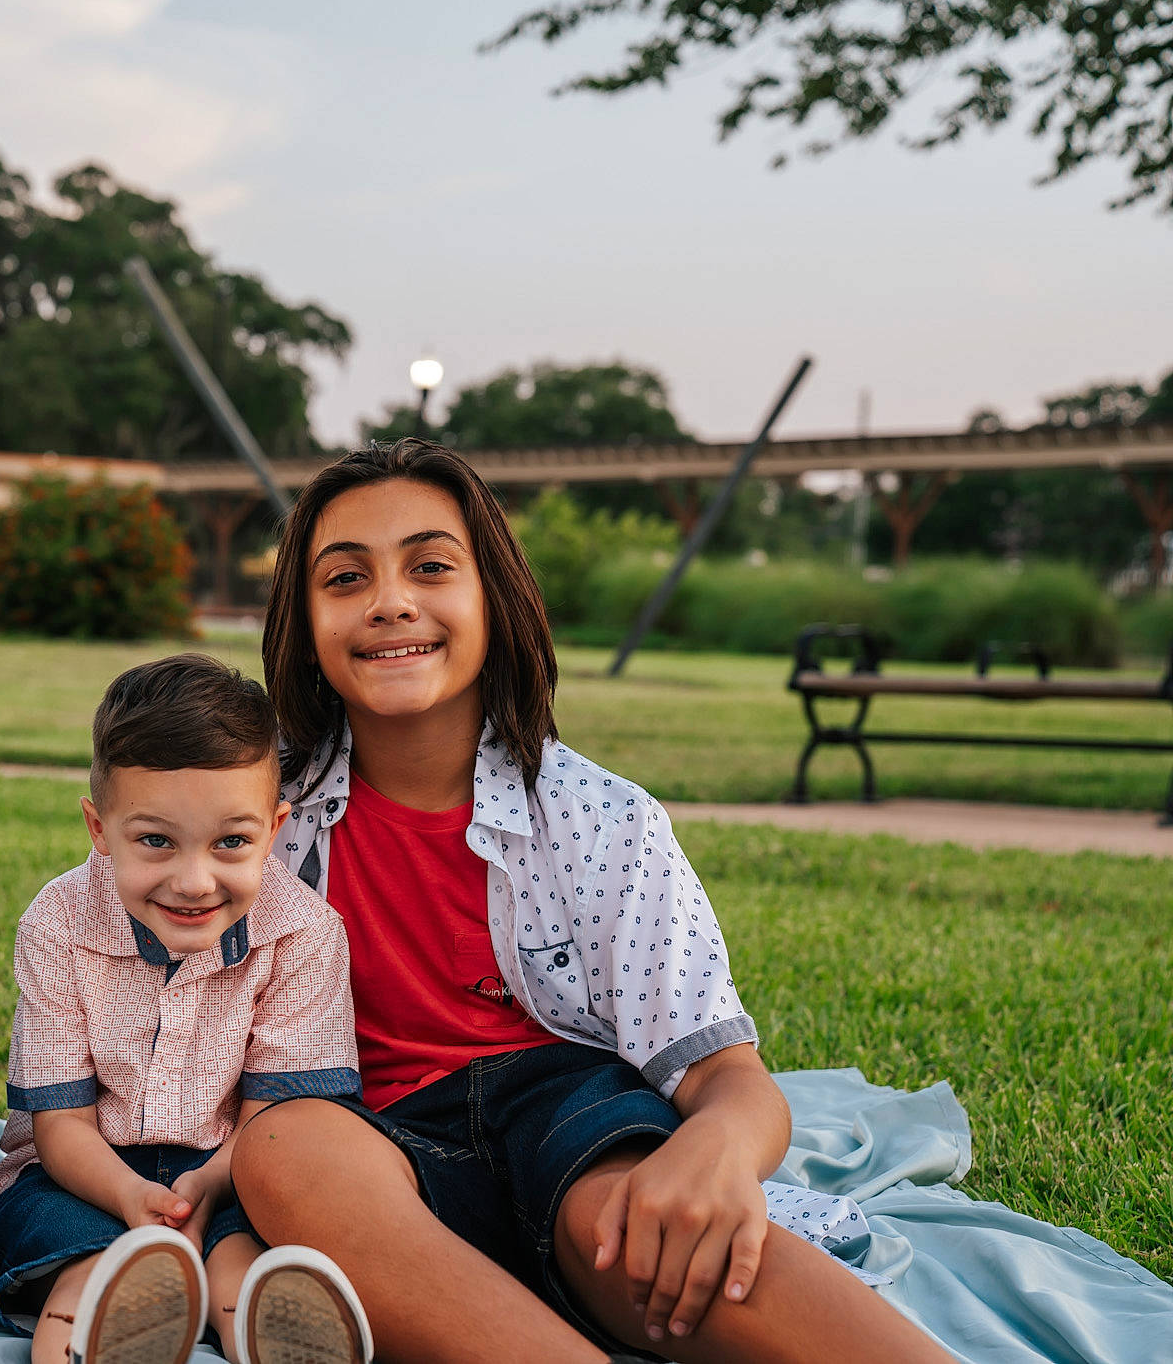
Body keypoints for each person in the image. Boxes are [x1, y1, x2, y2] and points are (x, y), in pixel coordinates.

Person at [231, 439, 956, 1364]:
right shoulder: (260, 818)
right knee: (284, 1147)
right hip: (371, 1152)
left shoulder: (603, 818)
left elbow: (728, 1075)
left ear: (494, 595)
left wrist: (722, 1148)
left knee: (649, 1214)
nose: (390, 601)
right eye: (345, 578)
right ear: (303, 617)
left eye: (431, 566)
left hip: (568, 1130)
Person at [0, 654, 373, 1364]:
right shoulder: (58, 920)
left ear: (275, 828)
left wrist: (199, 1188)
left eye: (231, 841)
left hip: (232, 1166)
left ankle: (247, 1313)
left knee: (246, 1238)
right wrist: (133, 1198)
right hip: (83, 1170)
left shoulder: (305, 931)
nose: (194, 881)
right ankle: (103, 1310)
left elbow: (273, 1130)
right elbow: (60, 1125)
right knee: (71, 1243)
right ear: (100, 829)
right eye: (155, 840)